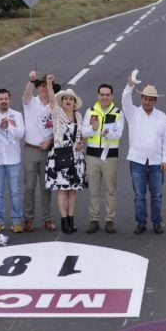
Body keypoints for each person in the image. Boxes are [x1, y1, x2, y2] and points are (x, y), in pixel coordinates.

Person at [121, 75, 166, 234]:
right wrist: (129, 86)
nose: (147, 102)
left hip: (157, 163)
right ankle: (141, 222)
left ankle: (157, 222)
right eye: (145, 98)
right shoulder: (133, 113)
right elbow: (125, 101)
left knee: (156, 195)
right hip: (137, 161)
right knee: (139, 195)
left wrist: (165, 159)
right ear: (141, 99)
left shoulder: (161, 116)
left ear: (155, 101)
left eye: (150, 100)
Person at [45, 76, 87, 234]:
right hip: (61, 155)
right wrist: (49, 84)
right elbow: (50, 98)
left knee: (73, 189)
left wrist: (81, 143)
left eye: (71, 99)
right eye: (66, 99)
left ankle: (71, 219)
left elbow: (80, 135)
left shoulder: (79, 116)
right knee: (62, 189)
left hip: (76, 156)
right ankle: (63, 221)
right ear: (61, 101)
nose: (68, 101)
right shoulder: (57, 114)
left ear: (75, 102)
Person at [82, 84, 124, 234]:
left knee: (110, 189)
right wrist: (93, 128)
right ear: (97, 95)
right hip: (92, 156)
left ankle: (109, 220)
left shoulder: (118, 113)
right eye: (102, 94)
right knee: (93, 189)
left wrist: (108, 133)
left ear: (112, 96)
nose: (104, 97)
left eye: (107, 95)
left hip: (110, 157)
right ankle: (94, 219)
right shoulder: (90, 111)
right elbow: (84, 132)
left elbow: (119, 133)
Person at [22, 72, 60, 232]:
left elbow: (59, 127)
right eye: (42, 85)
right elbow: (25, 95)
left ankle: (47, 218)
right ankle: (28, 219)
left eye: (47, 85)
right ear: (38, 87)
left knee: (46, 188)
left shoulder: (54, 105)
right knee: (29, 187)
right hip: (31, 149)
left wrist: (50, 140)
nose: (44, 88)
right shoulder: (30, 102)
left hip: (47, 150)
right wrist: (31, 81)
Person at [0, 88, 25, 234]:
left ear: (10, 100)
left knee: (15, 191)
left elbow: (21, 133)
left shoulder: (17, 115)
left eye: (6, 99)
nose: (3, 102)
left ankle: (16, 221)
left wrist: (11, 127)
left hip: (13, 158)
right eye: (0, 99)